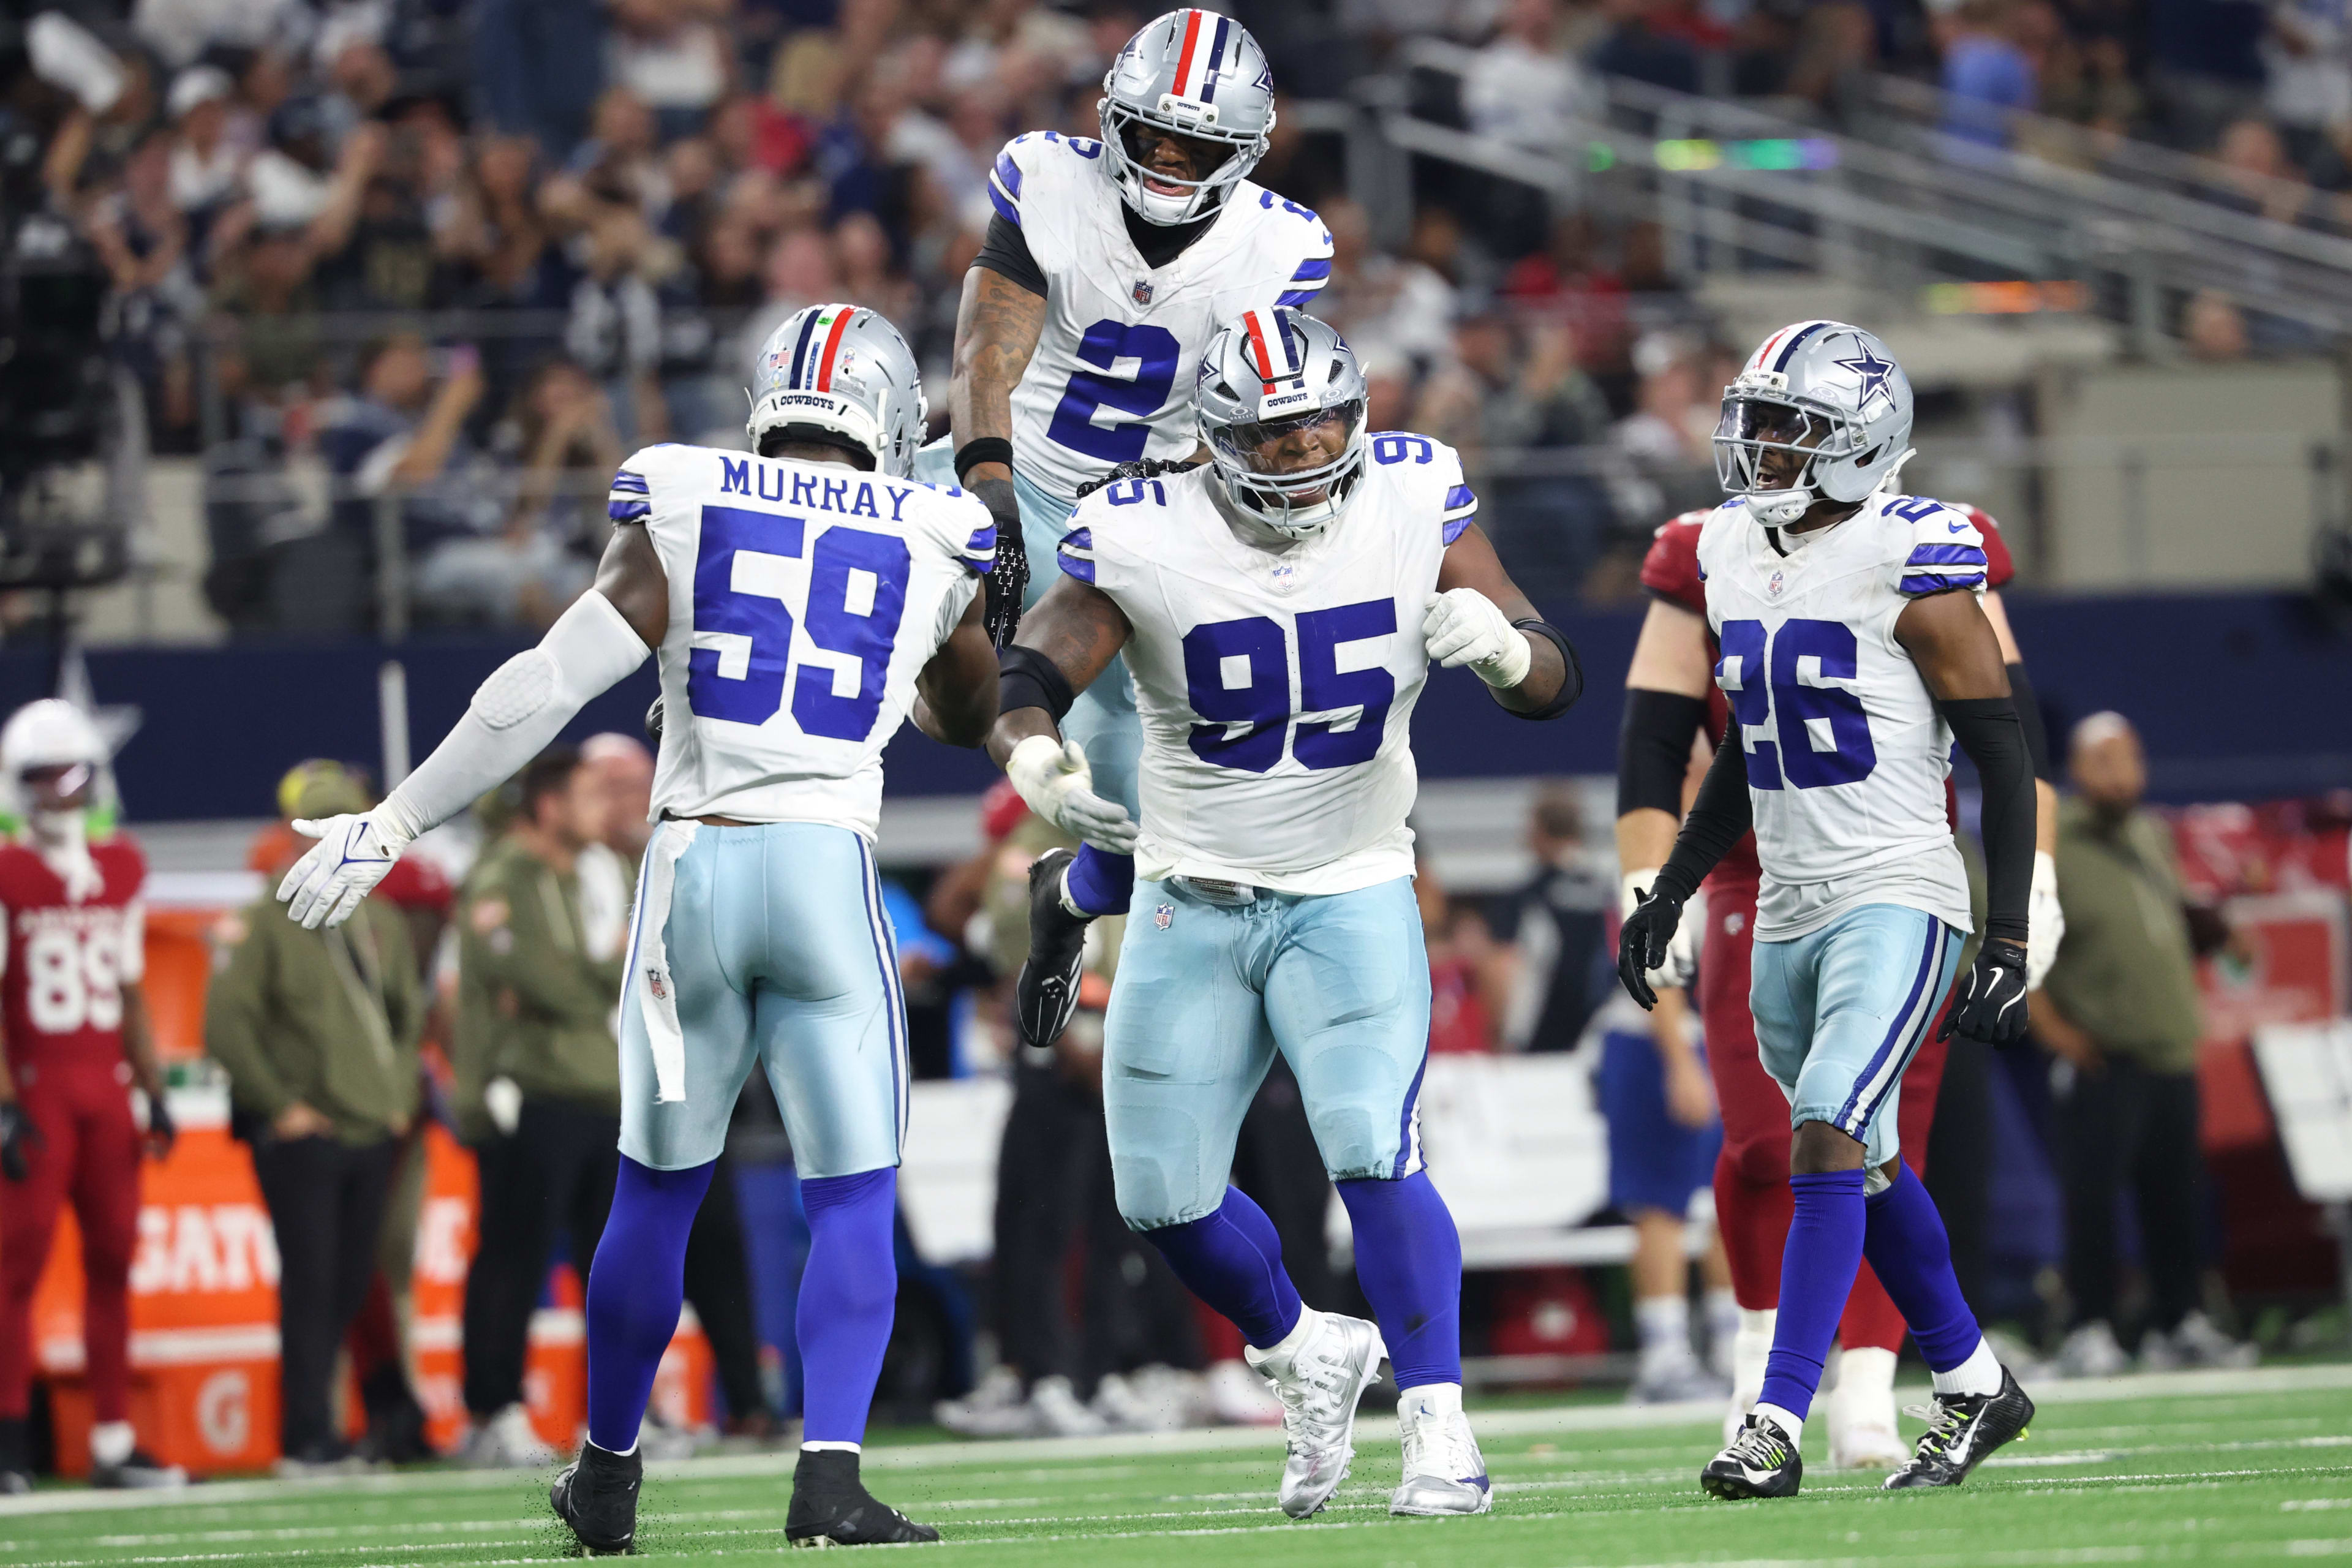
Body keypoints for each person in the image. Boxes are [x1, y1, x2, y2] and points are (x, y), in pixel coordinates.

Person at [276, 302, 998, 1550]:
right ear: (888, 410)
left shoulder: (686, 491)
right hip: (828, 867)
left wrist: (393, 819)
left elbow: (546, 682)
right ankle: (828, 1479)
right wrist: (964, 557)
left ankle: (607, 1477)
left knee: (654, 1195)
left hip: (689, 872)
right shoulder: (940, 530)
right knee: (852, 1196)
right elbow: (963, 711)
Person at [987, 309, 1580, 1518]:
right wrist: (1034, 759)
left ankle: (1440, 1426)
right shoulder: (1145, 528)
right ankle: (1304, 1346)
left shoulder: (1415, 495)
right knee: (1161, 1195)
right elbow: (1032, 673)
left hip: (1352, 879)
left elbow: (1551, 672)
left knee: (1369, 1140)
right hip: (1190, 889)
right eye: (1274, 430)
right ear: (1213, 440)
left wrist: (1512, 654)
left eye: (1322, 420)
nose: (1306, 449)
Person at [1618, 320, 2040, 1498]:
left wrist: (2005, 931)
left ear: (1863, 443)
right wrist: (1673, 885)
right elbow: (1750, 753)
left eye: (1790, 428)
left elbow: (2005, 750)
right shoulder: (1734, 556)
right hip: (1791, 906)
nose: (1758, 448)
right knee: (1865, 1162)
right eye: (1754, 423)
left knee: (1821, 1135)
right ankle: (1974, 1382)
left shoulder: (1916, 549)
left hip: (1898, 894)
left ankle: (1774, 1418)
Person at [932, 9, 1335, 1054]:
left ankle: (1070, 898)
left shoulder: (1279, 246)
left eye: (1190, 143)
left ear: (1240, 153)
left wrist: (1196, 554)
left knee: (1149, 816)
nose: (1162, 156)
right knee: (954, 706)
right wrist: (991, 498)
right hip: (1007, 464)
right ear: (1115, 117)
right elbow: (984, 355)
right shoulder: (1048, 179)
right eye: (1149, 132)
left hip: (1136, 517)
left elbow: (1240, 417)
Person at [206, 763, 424, 1474]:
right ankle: (306, 1434)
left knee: (350, 1281)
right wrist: (281, 1105)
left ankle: (333, 1426)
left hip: (369, 1128)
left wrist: (396, 1097)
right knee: (310, 1282)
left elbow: (406, 1018)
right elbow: (226, 1026)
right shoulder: (266, 920)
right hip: (306, 1135)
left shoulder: (380, 920)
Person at [2036, 712, 2255, 1376]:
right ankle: (2090, 1326)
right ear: (2077, 771)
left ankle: (2179, 1320)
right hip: (2104, 1054)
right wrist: (2055, 1034)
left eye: (2130, 758)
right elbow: (2020, 944)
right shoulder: (2056, 842)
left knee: (2177, 1198)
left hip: (2170, 1049)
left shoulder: (2152, 834)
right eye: (2105, 761)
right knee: (2095, 1198)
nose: (2122, 773)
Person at [0, 702, 182, 1492]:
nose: (57, 795)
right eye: (40, 780)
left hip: (104, 1087)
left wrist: (154, 1087)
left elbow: (132, 987)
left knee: (114, 1259)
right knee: (17, 1265)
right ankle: (9, 1442)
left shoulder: (123, 865)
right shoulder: (8, 870)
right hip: (39, 1084)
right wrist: (5, 1100)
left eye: (69, 777)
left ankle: (111, 1440)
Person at [451, 747, 627, 1471]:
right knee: (513, 1261)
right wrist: (605, 970)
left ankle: (612, 1417)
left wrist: (594, 973)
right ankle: (494, 1411)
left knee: (605, 1268)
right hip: (530, 1096)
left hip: (596, 1091)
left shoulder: (580, 875)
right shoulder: (505, 878)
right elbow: (548, 982)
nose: (603, 809)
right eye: (588, 795)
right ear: (548, 805)